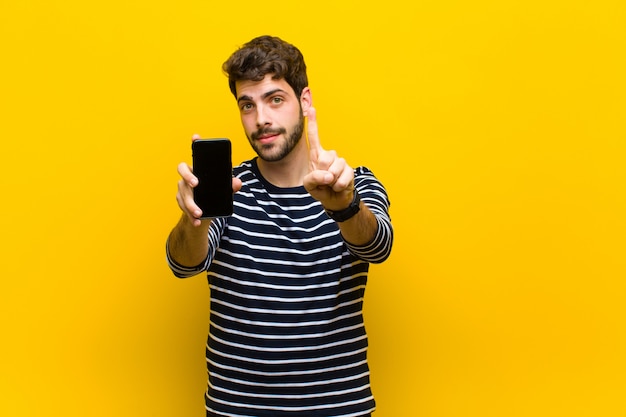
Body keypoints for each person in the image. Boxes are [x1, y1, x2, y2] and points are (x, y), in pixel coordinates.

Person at [166, 35, 394, 417]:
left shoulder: (352, 182)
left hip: (338, 407)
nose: (261, 120)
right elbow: (184, 264)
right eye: (247, 105)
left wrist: (344, 206)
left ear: (304, 102)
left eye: (275, 99)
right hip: (237, 408)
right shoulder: (227, 189)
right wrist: (194, 220)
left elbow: (378, 247)